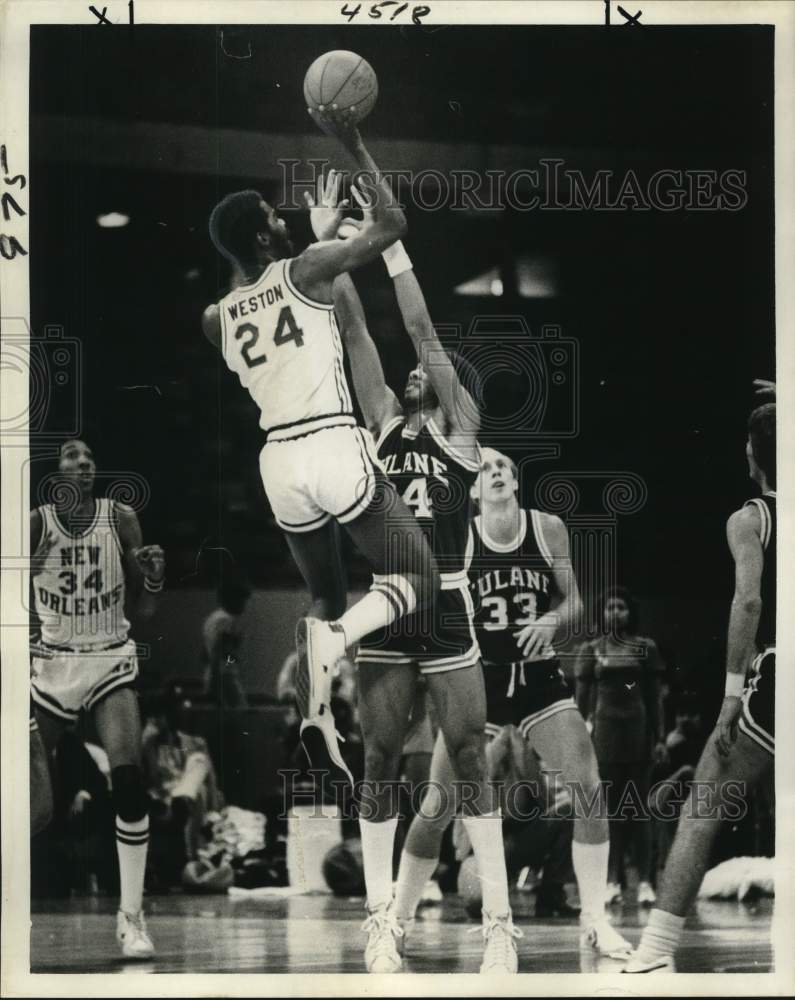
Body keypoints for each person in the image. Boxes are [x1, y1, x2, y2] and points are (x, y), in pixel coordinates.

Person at [203, 119, 439, 780]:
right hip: (332, 438)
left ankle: (311, 707)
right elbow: (391, 225)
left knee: (325, 595)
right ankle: (334, 647)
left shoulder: (214, 317)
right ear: (262, 236)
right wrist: (354, 147)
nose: (282, 221)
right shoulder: (305, 267)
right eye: (273, 219)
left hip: (277, 464)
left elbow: (294, 307)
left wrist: (308, 240)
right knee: (418, 580)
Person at [334, 198, 518, 974]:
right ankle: (381, 920)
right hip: (387, 601)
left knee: (468, 758)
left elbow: (419, 331)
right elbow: (351, 332)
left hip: (444, 597)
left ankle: (499, 925)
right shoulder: (378, 419)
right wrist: (334, 247)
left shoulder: (461, 429)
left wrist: (393, 250)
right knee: (378, 760)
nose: (413, 373)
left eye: (425, 373)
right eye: (412, 374)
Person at [394, 448, 633, 960]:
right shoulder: (459, 535)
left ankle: (594, 920)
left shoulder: (547, 527)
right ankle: (397, 919)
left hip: (536, 679)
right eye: (485, 469)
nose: (496, 471)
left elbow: (577, 604)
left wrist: (553, 620)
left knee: (588, 785)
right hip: (477, 681)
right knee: (437, 806)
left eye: (504, 466)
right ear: (474, 490)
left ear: (515, 481)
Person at [625, 403, 776, 973]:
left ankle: (655, 950)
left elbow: (750, 601)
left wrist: (731, 696)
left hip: (778, 672)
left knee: (703, 806)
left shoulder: (751, 518)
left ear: (751, 457)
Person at [29, 438, 165, 958]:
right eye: (71, 456)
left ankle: (131, 917)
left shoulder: (120, 516)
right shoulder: (37, 524)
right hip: (53, 665)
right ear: (56, 472)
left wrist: (153, 575)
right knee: (33, 807)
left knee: (128, 781)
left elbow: (147, 606)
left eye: (89, 457)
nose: (84, 463)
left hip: (110, 657)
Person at [575, 587, 667, 906]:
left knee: (639, 810)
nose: (616, 613)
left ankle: (645, 881)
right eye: (610, 607)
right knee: (612, 810)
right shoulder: (591, 650)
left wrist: (661, 738)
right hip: (605, 734)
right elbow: (580, 702)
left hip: (638, 732)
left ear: (631, 613)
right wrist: (578, 740)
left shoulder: (646, 648)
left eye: (622, 607)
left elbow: (655, 698)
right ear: (601, 614)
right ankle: (612, 880)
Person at [201, 579, 251, 708]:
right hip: (224, 675)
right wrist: (229, 663)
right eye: (242, 600)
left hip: (213, 674)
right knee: (242, 714)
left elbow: (204, 653)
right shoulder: (226, 620)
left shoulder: (212, 619)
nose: (244, 605)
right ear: (231, 599)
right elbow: (222, 650)